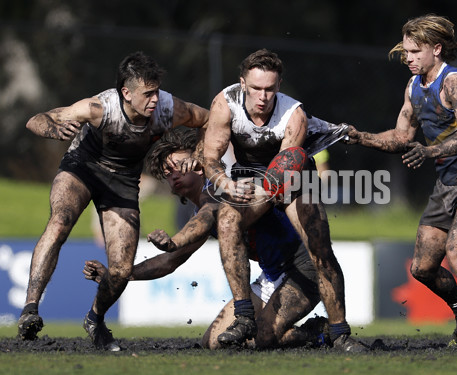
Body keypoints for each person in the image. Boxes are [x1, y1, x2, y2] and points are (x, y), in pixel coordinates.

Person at [17, 51, 210, 351]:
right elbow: (36, 120)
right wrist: (52, 128)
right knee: (59, 222)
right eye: (147, 94)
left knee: (120, 269)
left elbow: (209, 120)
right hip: (82, 168)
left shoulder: (169, 109)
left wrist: (199, 155)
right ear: (126, 93)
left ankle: (95, 319)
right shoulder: (99, 108)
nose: (155, 100)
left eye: (157, 92)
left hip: (122, 183)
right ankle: (30, 309)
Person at [82, 127, 328, 349]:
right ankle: (296, 333)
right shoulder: (200, 208)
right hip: (272, 276)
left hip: (304, 269)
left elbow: (208, 217)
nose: (172, 174)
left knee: (262, 338)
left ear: (198, 165)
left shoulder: (222, 188)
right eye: (167, 171)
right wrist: (121, 275)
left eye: (178, 165)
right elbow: (169, 262)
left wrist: (175, 239)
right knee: (214, 341)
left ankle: (319, 333)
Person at [345, 14, 457, 350]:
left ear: (437, 49)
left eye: (415, 52)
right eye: (405, 52)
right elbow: (401, 136)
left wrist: (430, 152)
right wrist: (361, 137)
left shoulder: (455, 82)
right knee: (422, 268)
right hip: (447, 184)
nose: (408, 58)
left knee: (456, 253)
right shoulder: (413, 87)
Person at [196, 49, 366, 352]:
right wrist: (224, 182)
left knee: (319, 247)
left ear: (279, 85)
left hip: (293, 179)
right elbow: (210, 159)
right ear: (243, 83)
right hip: (250, 175)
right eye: (256, 88)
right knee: (227, 218)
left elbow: (285, 170)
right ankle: (244, 316)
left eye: (270, 89)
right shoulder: (225, 103)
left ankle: (339, 332)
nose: (263, 96)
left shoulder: (294, 115)